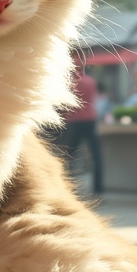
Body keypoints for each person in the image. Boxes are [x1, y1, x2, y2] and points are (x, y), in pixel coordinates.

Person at [55, 59, 103, 195]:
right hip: (91, 120)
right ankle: (98, 188)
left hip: (74, 120)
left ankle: (66, 187)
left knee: (69, 155)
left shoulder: (70, 84)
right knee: (96, 155)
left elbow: (66, 105)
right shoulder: (91, 82)